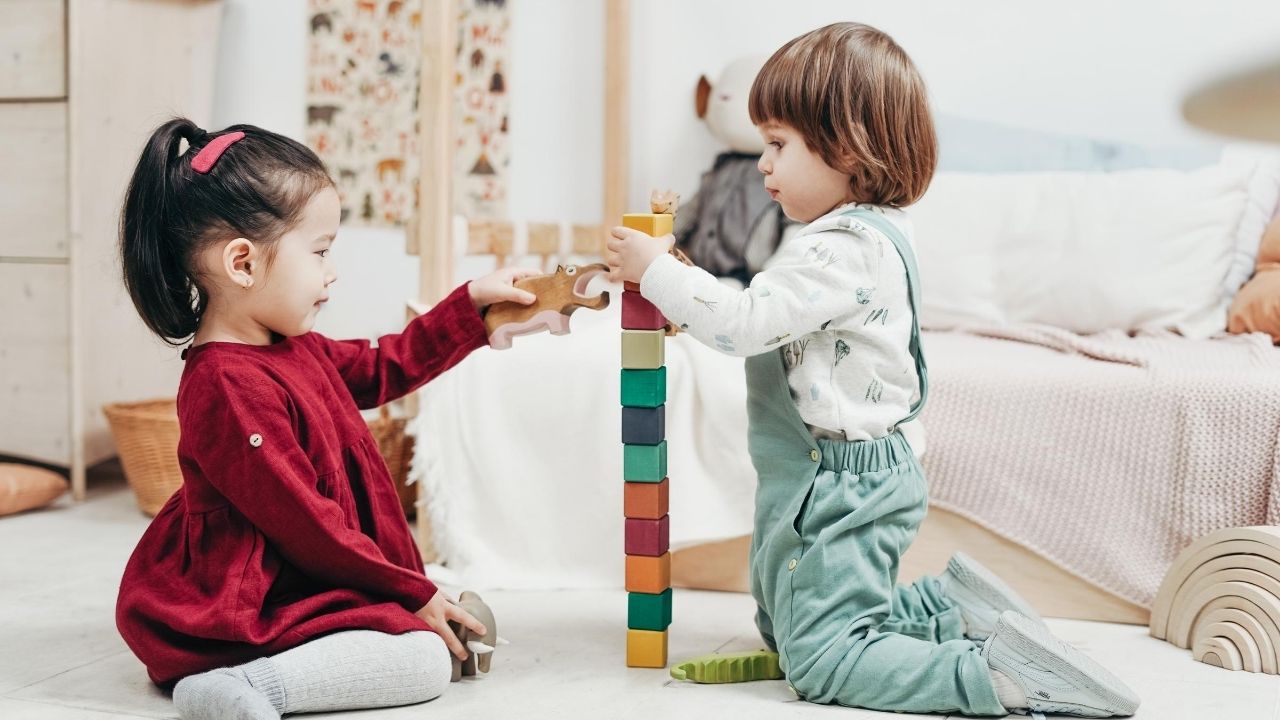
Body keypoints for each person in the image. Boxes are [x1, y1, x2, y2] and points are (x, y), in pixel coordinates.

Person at [606, 23, 1139, 717]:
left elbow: (743, 326)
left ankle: (999, 678)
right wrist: (684, 283)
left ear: (847, 148)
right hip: (837, 472)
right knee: (784, 612)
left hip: (838, 482)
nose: (762, 165)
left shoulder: (835, 250)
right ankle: (943, 606)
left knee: (825, 660)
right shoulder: (866, 232)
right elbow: (773, 313)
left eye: (777, 145)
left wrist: (656, 275)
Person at [114, 118, 538, 720]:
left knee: (423, 616)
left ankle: (395, 624)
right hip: (254, 596)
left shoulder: (290, 343)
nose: (332, 272)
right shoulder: (225, 385)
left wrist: (467, 308)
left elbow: (379, 367)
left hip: (308, 566)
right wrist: (408, 594)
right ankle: (247, 685)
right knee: (420, 661)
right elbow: (304, 521)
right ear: (242, 263)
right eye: (319, 252)